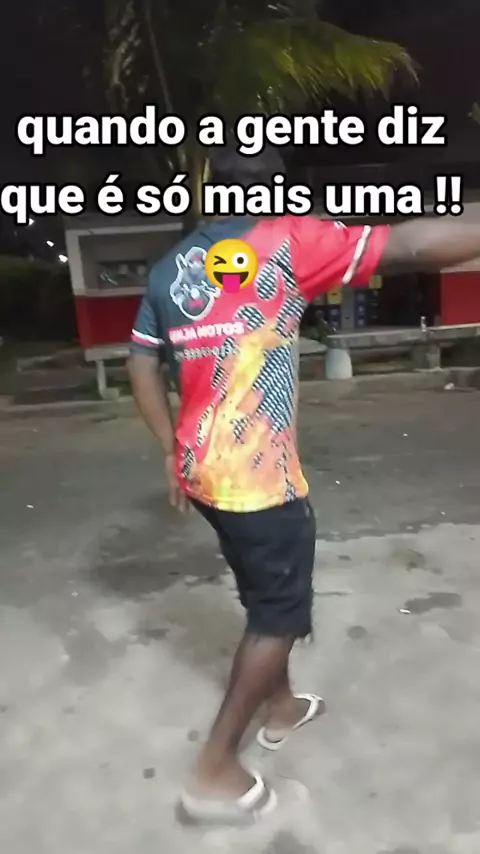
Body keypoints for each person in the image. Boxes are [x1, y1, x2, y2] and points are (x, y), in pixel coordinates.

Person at [129, 145, 480, 825]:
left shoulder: (172, 267)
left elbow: (142, 363)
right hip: (260, 480)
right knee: (279, 615)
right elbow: (410, 244)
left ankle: (282, 706)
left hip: (202, 472)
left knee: (259, 586)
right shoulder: (286, 241)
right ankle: (213, 771)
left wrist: (170, 450)